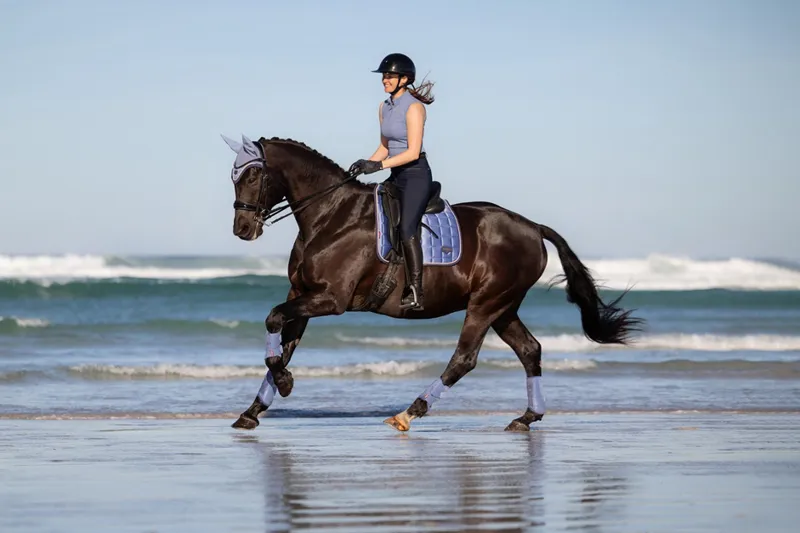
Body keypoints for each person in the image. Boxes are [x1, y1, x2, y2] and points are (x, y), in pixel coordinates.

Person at [348, 53, 436, 310]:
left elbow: (412, 151)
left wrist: (379, 166)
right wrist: (364, 164)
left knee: (407, 228)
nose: (385, 80)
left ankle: (416, 291)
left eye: (389, 76)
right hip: (395, 175)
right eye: (384, 76)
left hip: (416, 175)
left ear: (404, 79)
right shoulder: (383, 107)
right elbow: (385, 147)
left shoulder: (414, 107)